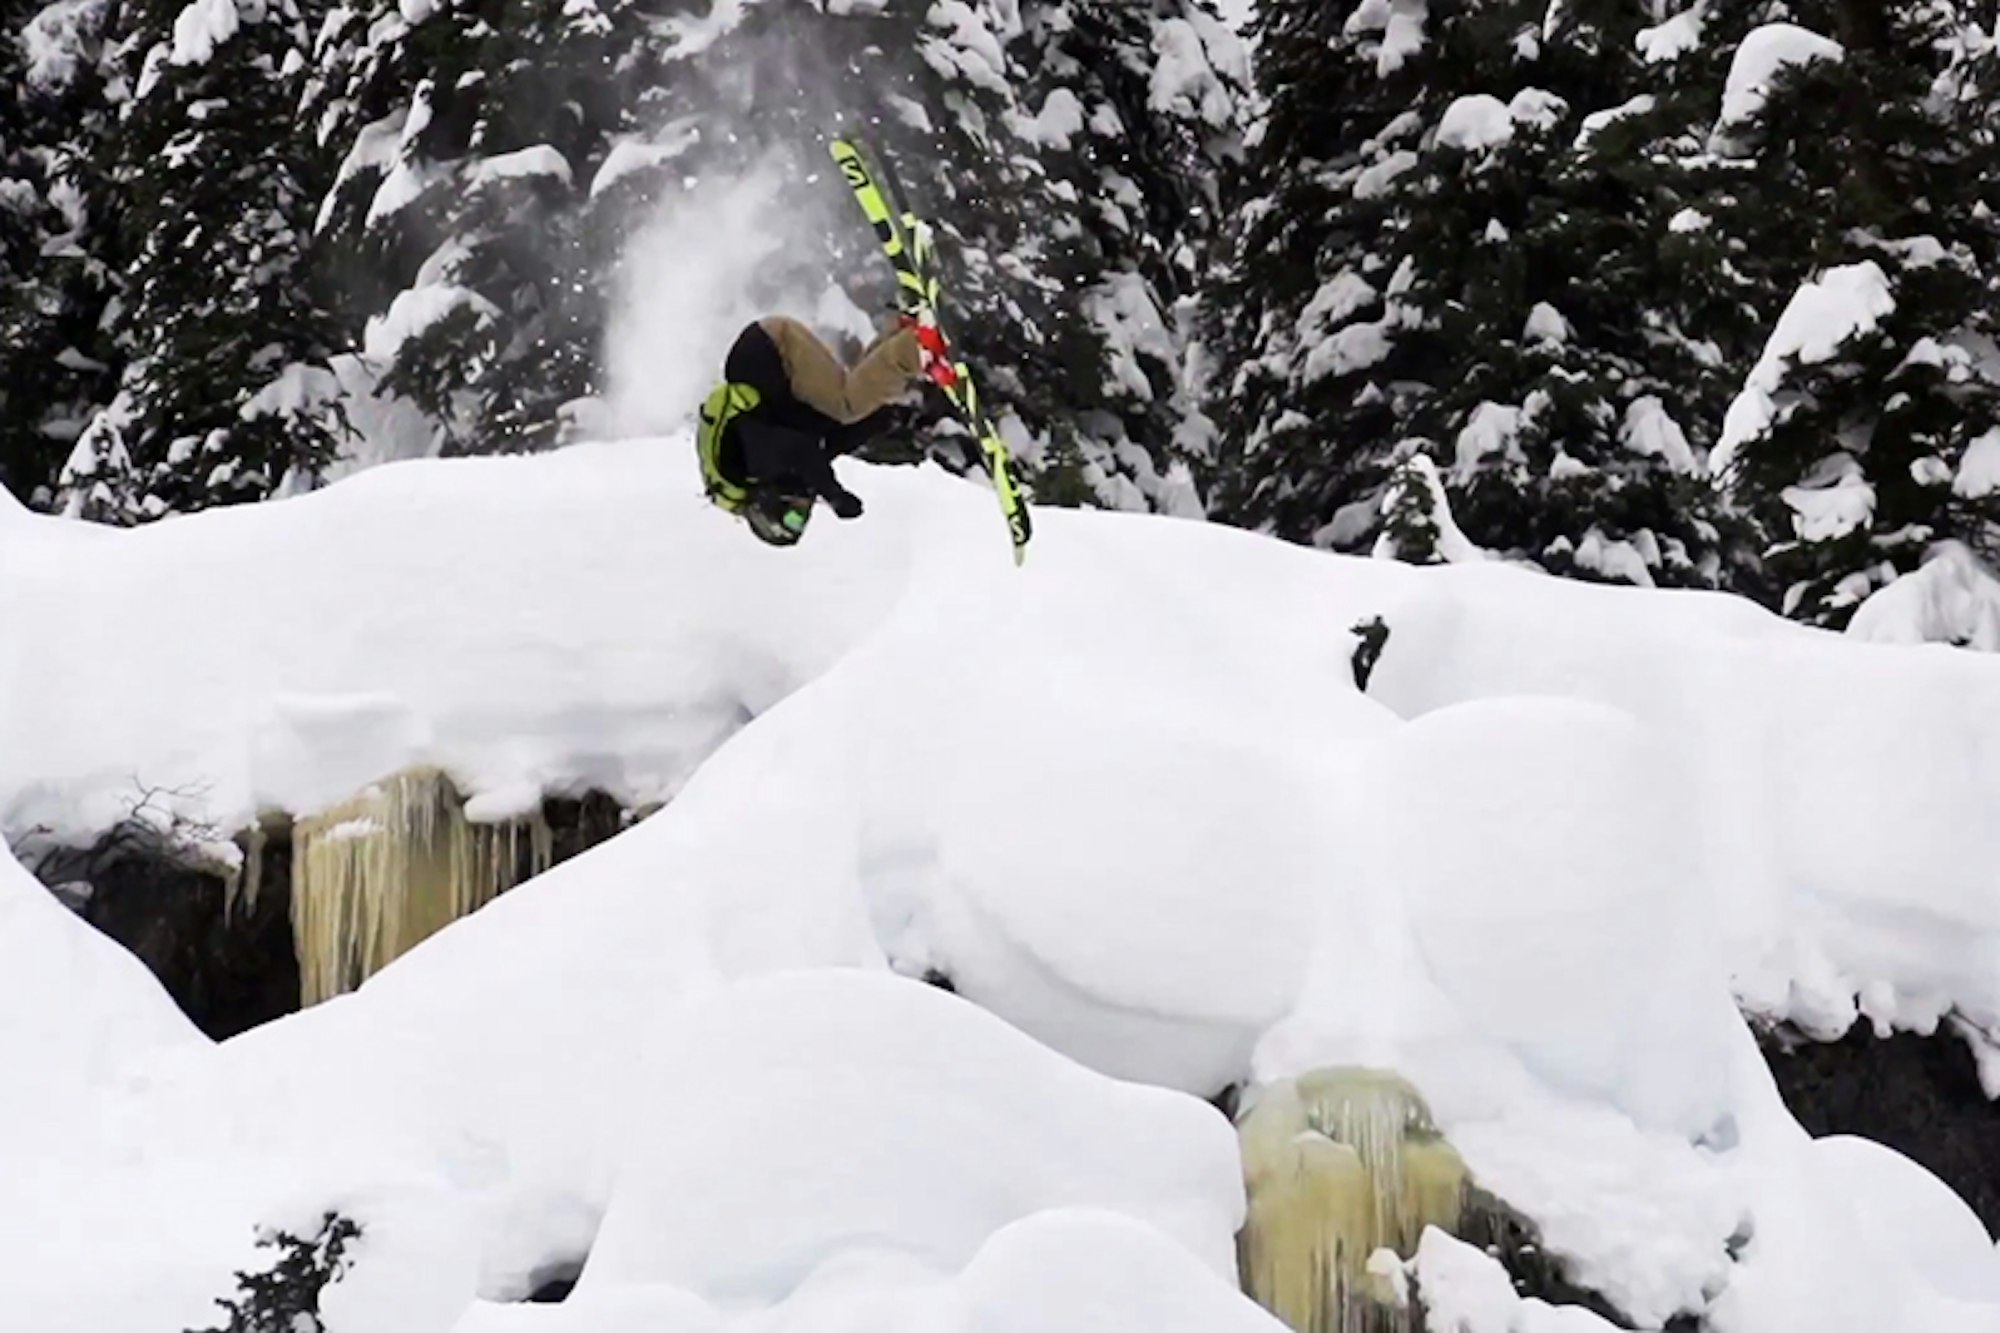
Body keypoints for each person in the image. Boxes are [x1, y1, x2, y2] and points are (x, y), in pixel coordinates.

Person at [696, 313, 949, 546]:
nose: (803, 510)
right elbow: (835, 439)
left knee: (846, 403)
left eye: (794, 516)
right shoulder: (785, 470)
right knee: (853, 401)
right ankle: (902, 330)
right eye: (803, 518)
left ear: (769, 508)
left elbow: (800, 451)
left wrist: (834, 495)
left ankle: (917, 346)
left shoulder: (749, 465)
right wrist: (897, 418)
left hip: (770, 351)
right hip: (772, 361)